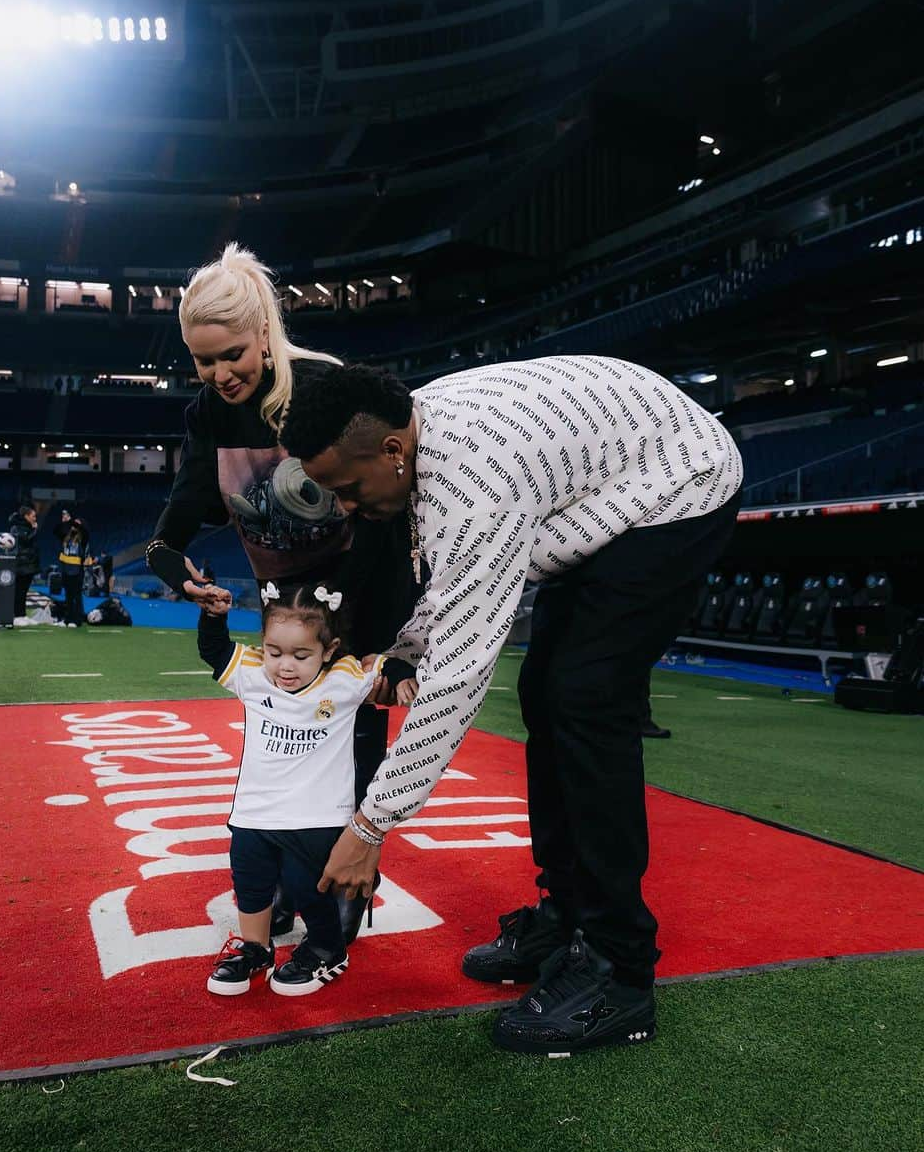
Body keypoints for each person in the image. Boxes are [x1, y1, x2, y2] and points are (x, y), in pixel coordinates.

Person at [280, 356, 743, 1056]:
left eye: (347, 487)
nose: (344, 506)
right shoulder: (417, 437)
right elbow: (455, 581)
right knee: (545, 689)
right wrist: (405, 648)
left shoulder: (472, 484)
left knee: (587, 695)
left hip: (680, 482)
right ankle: (568, 918)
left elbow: (458, 680)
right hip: (604, 485)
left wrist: (369, 827)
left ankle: (619, 968)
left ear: (394, 450)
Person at [144, 243, 422, 940]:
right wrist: (173, 568)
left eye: (232, 354)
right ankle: (301, 878)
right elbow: (169, 531)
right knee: (289, 754)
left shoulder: (325, 384)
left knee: (351, 762)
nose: (218, 373)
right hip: (285, 621)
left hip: (358, 613)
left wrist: (397, 646)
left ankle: (344, 889)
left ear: (265, 331)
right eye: (202, 361)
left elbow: (393, 510)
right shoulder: (208, 415)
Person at [196, 580, 416, 997]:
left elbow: (379, 664)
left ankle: (327, 947)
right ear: (263, 645)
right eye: (275, 652)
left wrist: (400, 674)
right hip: (254, 812)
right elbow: (215, 652)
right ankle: (256, 950)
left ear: (328, 650)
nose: (285, 666)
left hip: (317, 816)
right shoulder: (253, 674)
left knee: (306, 886)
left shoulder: (343, 678)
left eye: (301, 655)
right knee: (250, 882)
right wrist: (213, 616)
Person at [54, 508, 90, 627]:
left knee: (76, 596)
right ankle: (68, 619)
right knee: (68, 596)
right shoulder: (66, 536)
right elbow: (56, 530)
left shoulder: (83, 538)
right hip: (66, 571)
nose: (74, 525)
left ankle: (77, 620)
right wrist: (65, 522)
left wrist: (71, 521)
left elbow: (84, 530)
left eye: (77, 524)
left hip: (77, 572)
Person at [8, 504, 40, 621]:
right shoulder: (17, 527)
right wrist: (35, 529)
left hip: (28, 564)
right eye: (33, 516)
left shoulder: (25, 527)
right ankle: (17, 616)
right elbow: (26, 540)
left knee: (23, 591)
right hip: (22, 564)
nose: (35, 518)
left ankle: (22, 615)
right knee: (19, 591)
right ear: (26, 516)